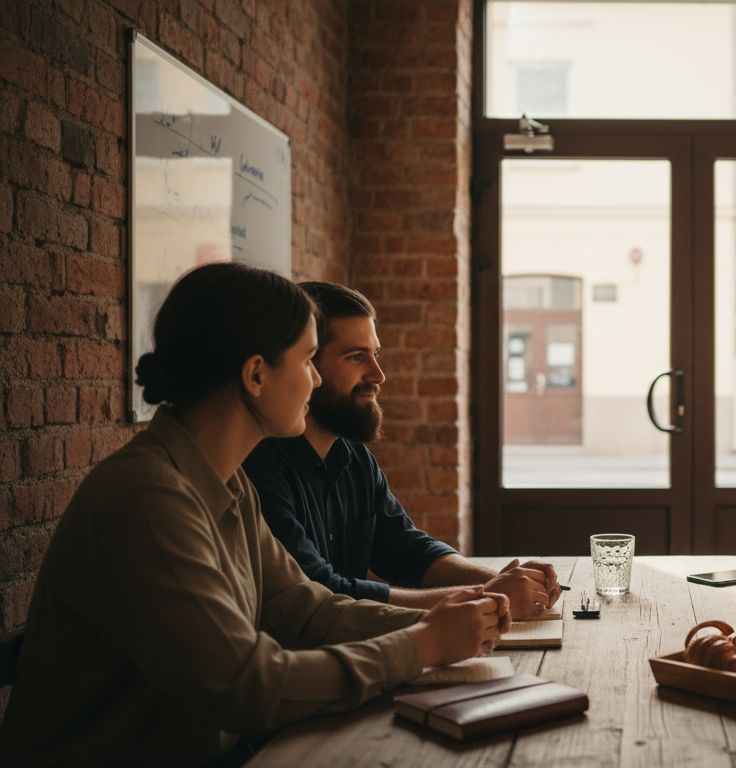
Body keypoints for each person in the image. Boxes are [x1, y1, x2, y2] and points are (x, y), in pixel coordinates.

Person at [0, 263, 509, 766]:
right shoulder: (148, 498)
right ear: (256, 374)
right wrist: (421, 645)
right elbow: (249, 687)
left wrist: (437, 621)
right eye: (309, 359)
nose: (314, 380)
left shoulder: (227, 481)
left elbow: (305, 609)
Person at [243, 282, 560, 617]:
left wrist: (507, 581)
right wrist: (486, 595)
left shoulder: (352, 456)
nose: (378, 375)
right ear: (309, 365)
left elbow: (406, 549)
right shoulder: (257, 467)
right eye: (356, 357)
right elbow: (321, 593)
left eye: (375, 355)